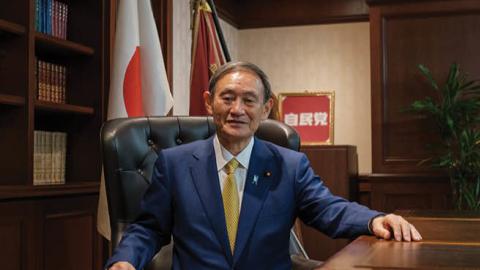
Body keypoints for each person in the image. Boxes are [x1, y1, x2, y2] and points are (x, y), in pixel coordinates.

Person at [107, 61, 422, 270]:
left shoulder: (290, 165)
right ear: (208, 102)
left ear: (266, 107)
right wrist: (125, 261)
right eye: (227, 98)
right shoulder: (174, 164)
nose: (237, 110)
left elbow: (328, 210)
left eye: (249, 100)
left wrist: (375, 220)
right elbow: (149, 228)